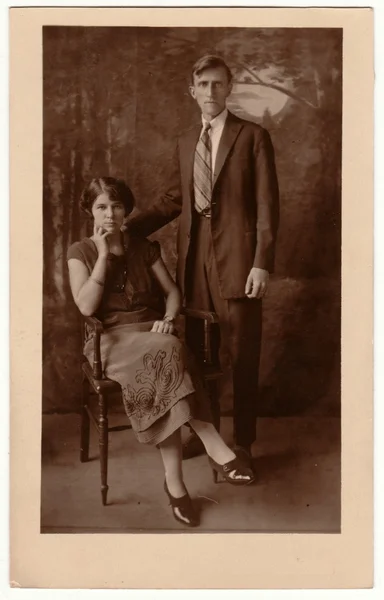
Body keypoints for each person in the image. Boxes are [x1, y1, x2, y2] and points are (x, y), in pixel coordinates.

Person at [67, 176, 254, 528]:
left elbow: (172, 293)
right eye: (102, 207)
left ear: (127, 209)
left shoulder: (143, 246)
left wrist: (169, 318)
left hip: (153, 337)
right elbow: (87, 307)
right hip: (110, 342)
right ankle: (216, 448)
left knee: (166, 350)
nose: (111, 214)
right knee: (169, 351)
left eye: (118, 206)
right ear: (89, 211)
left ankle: (176, 486)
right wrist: (104, 255)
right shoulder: (81, 252)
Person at [126, 55, 280, 468]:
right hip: (194, 262)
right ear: (191, 90)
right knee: (197, 353)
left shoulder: (252, 136)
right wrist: (128, 230)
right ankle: (207, 435)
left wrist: (261, 262)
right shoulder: (184, 141)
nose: (210, 92)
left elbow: (267, 205)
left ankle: (243, 442)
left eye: (217, 84)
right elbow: (175, 199)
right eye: (203, 85)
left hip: (239, 260)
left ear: (229, 89)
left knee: (241, 353)